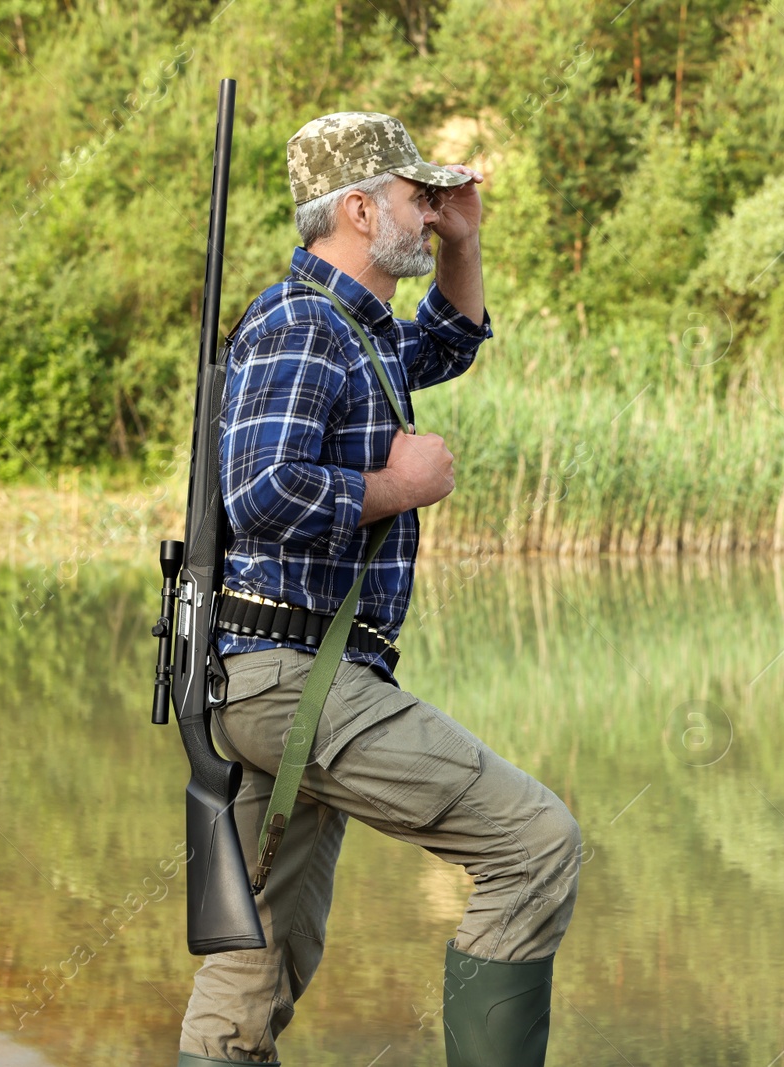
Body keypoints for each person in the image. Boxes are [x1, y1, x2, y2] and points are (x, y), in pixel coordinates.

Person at [177, 111, 582, 1067]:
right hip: (292, 677)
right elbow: (261, 486)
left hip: (290, 675)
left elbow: (449, 338)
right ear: (358, 209)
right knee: (535, 842)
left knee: (257, 954)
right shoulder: (302, 324)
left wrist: (464, 241)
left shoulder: (353, 327)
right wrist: (397, 487)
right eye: (413, 197)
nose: (428, 210)